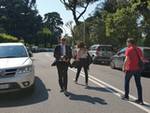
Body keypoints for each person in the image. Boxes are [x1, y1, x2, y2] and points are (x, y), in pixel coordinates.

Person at [122, 38, 144, 105]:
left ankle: (126, 96)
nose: (126, 44)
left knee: (127, 82)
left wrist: (124, 67)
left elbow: (126, 59)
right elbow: (141, 59)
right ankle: (140, 99)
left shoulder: (128, 49)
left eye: (127, 42)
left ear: (130, 43)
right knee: (138, 84)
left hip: (130, 69)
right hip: (137, 69)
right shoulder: (139, 49)